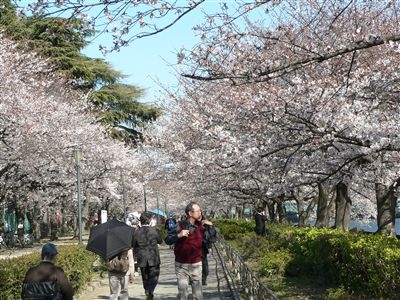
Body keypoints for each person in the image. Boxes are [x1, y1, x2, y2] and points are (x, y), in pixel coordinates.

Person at [165, 201, 214, 300]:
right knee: (183, 293)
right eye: (198, 211)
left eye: (200, 211)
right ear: (190, 213)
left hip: (196, 264)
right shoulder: (179, 226)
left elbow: (212, 239)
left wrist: (211, 226)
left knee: (198, 294)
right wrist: (179, 235)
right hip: (181, 265)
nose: (200, 213)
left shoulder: (202, 225)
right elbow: (167, 240)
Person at [132, 212, 163, 300]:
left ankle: (147, 291)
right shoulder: (154, 230)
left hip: (142, 258)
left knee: (145, 277)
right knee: (154, 276)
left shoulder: (136, 232)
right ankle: (150, 290)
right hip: (153, 257)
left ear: (140, 221)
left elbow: (133, 244)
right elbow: (160, 241)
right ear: (149, 221)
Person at [200, 212, 217, 286]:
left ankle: (203, 279)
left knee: (204, 264)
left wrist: (211, 225)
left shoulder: (206, 224)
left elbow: (212, 237)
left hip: (203, 247)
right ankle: (193, 279)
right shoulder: (190, 224)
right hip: (193, 248)